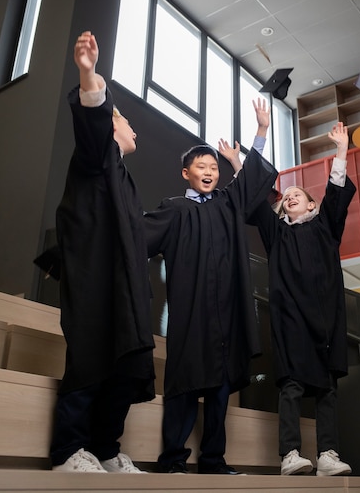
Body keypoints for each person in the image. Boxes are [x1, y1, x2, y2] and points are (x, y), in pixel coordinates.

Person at [143, 99, 277, 475]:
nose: (209, 171)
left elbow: (251, 181)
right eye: (201, 166)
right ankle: (172, 459)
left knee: (220, 389)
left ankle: (214, 460)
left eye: (214, 167)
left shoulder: (226, 204)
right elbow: (135, 237)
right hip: (190, 313)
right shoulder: (173, 209)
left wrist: (261, 131)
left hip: (226, 313)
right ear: (186, 173)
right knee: (184, 384)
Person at [221, 122, 355, 477]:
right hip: (291, 317)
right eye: (287, 196)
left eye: (299, 194)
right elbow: (255, 199)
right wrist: (240, 161)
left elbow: (337, 192)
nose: (291, 196)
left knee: (326, 387)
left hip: (326, 318)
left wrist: (341, 149)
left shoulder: (326, 225)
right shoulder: (277, 232)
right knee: (292, 384)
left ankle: (328, 454)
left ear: (311, 203)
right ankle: (290, 454)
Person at [50, 31, 155, 473]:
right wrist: (89, 75)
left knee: (126, 364)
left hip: (124, 284)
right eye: (125, 120)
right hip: (94, 276)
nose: (133, 128)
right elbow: (93, 125)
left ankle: (105, 448)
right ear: (113, 126)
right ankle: (69, 449)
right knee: (92, 354)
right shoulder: (97, 157)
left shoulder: (124, 178)